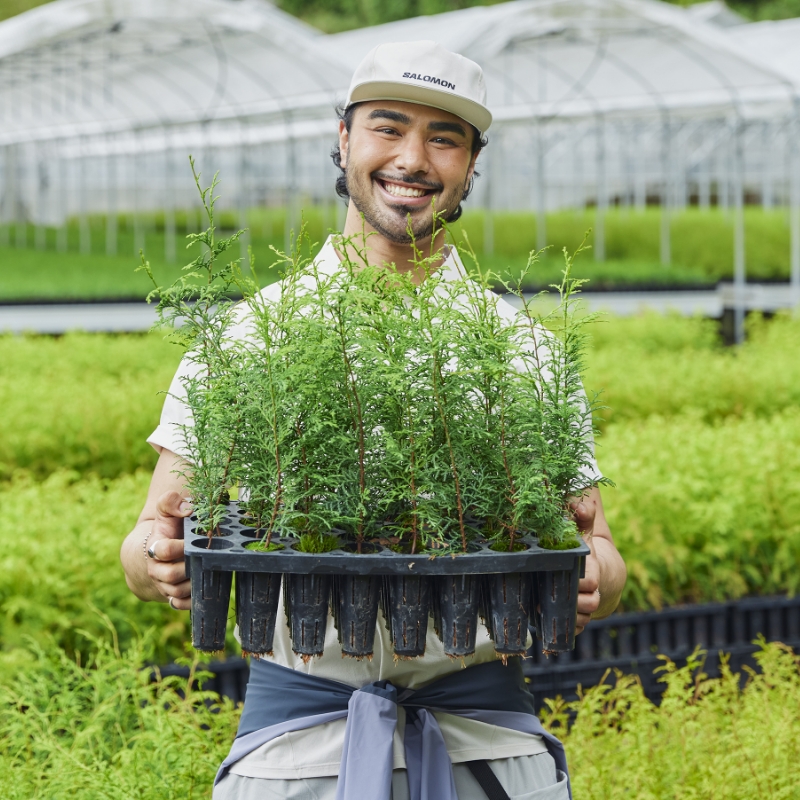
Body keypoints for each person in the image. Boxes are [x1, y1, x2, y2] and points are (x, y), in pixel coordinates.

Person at [120, 40, 626, 800]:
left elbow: (598, 548)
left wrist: (598, 576)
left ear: (470, 165)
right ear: (345, 139)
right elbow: (145, 540)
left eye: (444, 138)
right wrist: (155, 560)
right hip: (296, 761)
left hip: (487, 753)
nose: (413, 158)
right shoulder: (251, 336)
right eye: (388, 127)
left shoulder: (523, 350)